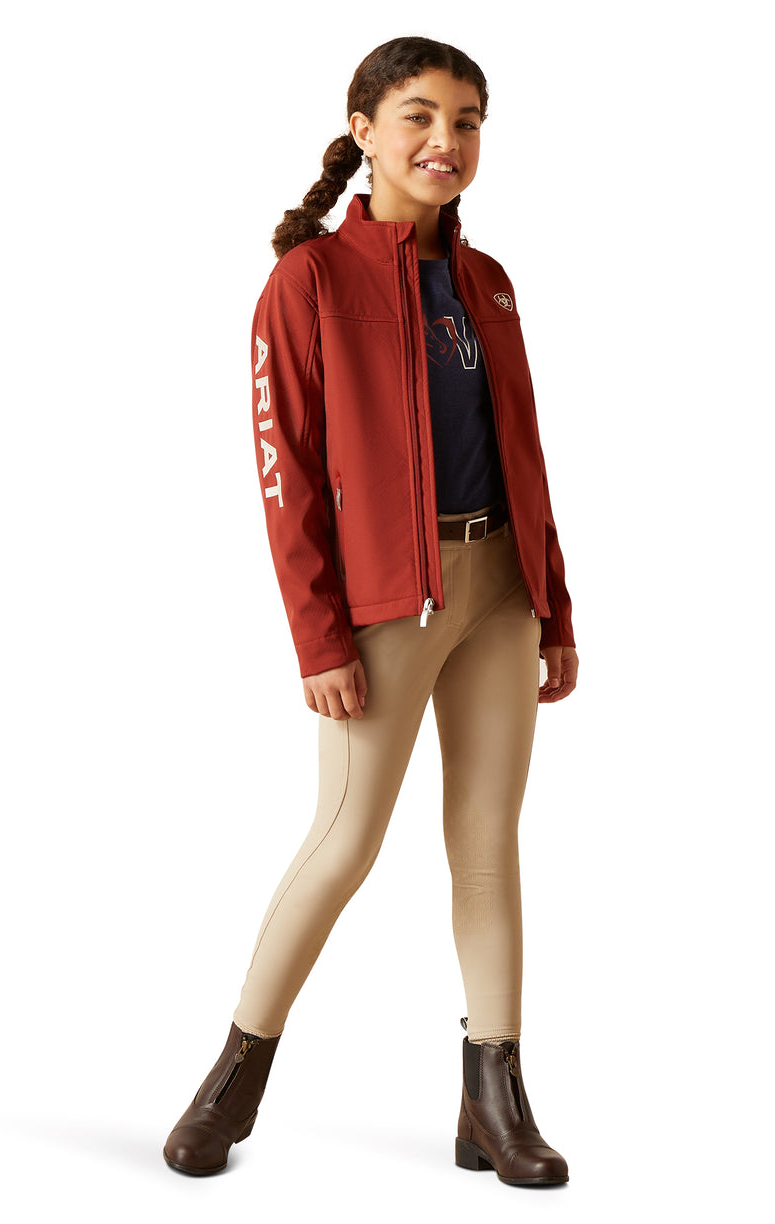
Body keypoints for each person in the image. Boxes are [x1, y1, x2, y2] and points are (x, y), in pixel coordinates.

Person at [163, 35, 578, 1188]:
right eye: (420, 117)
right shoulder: (308, 283)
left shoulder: (488, 281)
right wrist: (319, 637)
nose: (447, 141)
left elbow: (525, 453)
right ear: (365, 131)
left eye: (467, 120)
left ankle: (493, 1100)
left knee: (487, 842)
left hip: (500, 591)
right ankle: (232, 1078)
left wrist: (553, 605)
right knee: (344, 842)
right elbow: (284, 475)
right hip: (388, 603)